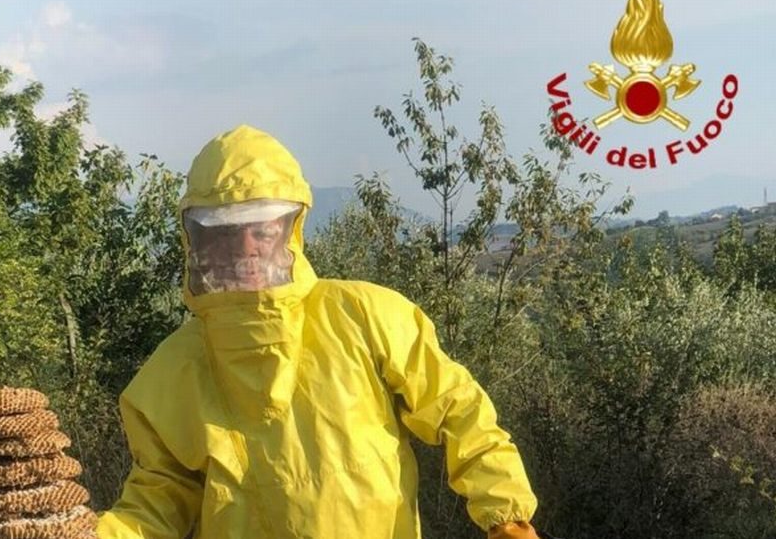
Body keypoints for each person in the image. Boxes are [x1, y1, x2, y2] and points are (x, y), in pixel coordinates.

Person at [96, 125, 541, 539]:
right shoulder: (173, 371)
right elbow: (158, 497)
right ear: (201, 242)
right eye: (228, 233)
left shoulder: (365, 316)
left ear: (288, 230)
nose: (247, 246)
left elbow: (458, 411)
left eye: (260, 230)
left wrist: (507, 518)